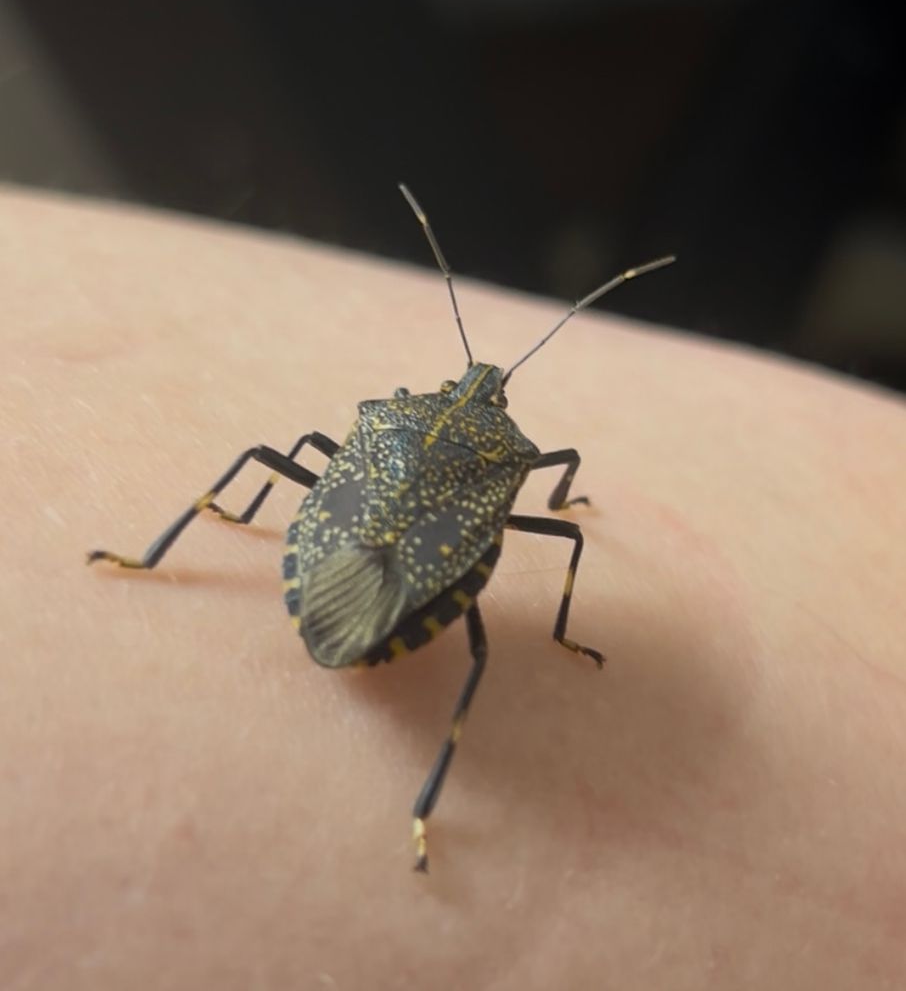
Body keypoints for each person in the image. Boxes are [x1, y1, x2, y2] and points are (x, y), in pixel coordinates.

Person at [2, 186, 904, 989]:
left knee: (264, 461)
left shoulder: (392, 416)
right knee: (474, 656)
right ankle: (426, 808)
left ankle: (158, 554)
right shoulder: (509, 455)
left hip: (339, 549)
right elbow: (563, 482)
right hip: (421, 573)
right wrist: (560, 543)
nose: (483, 388)